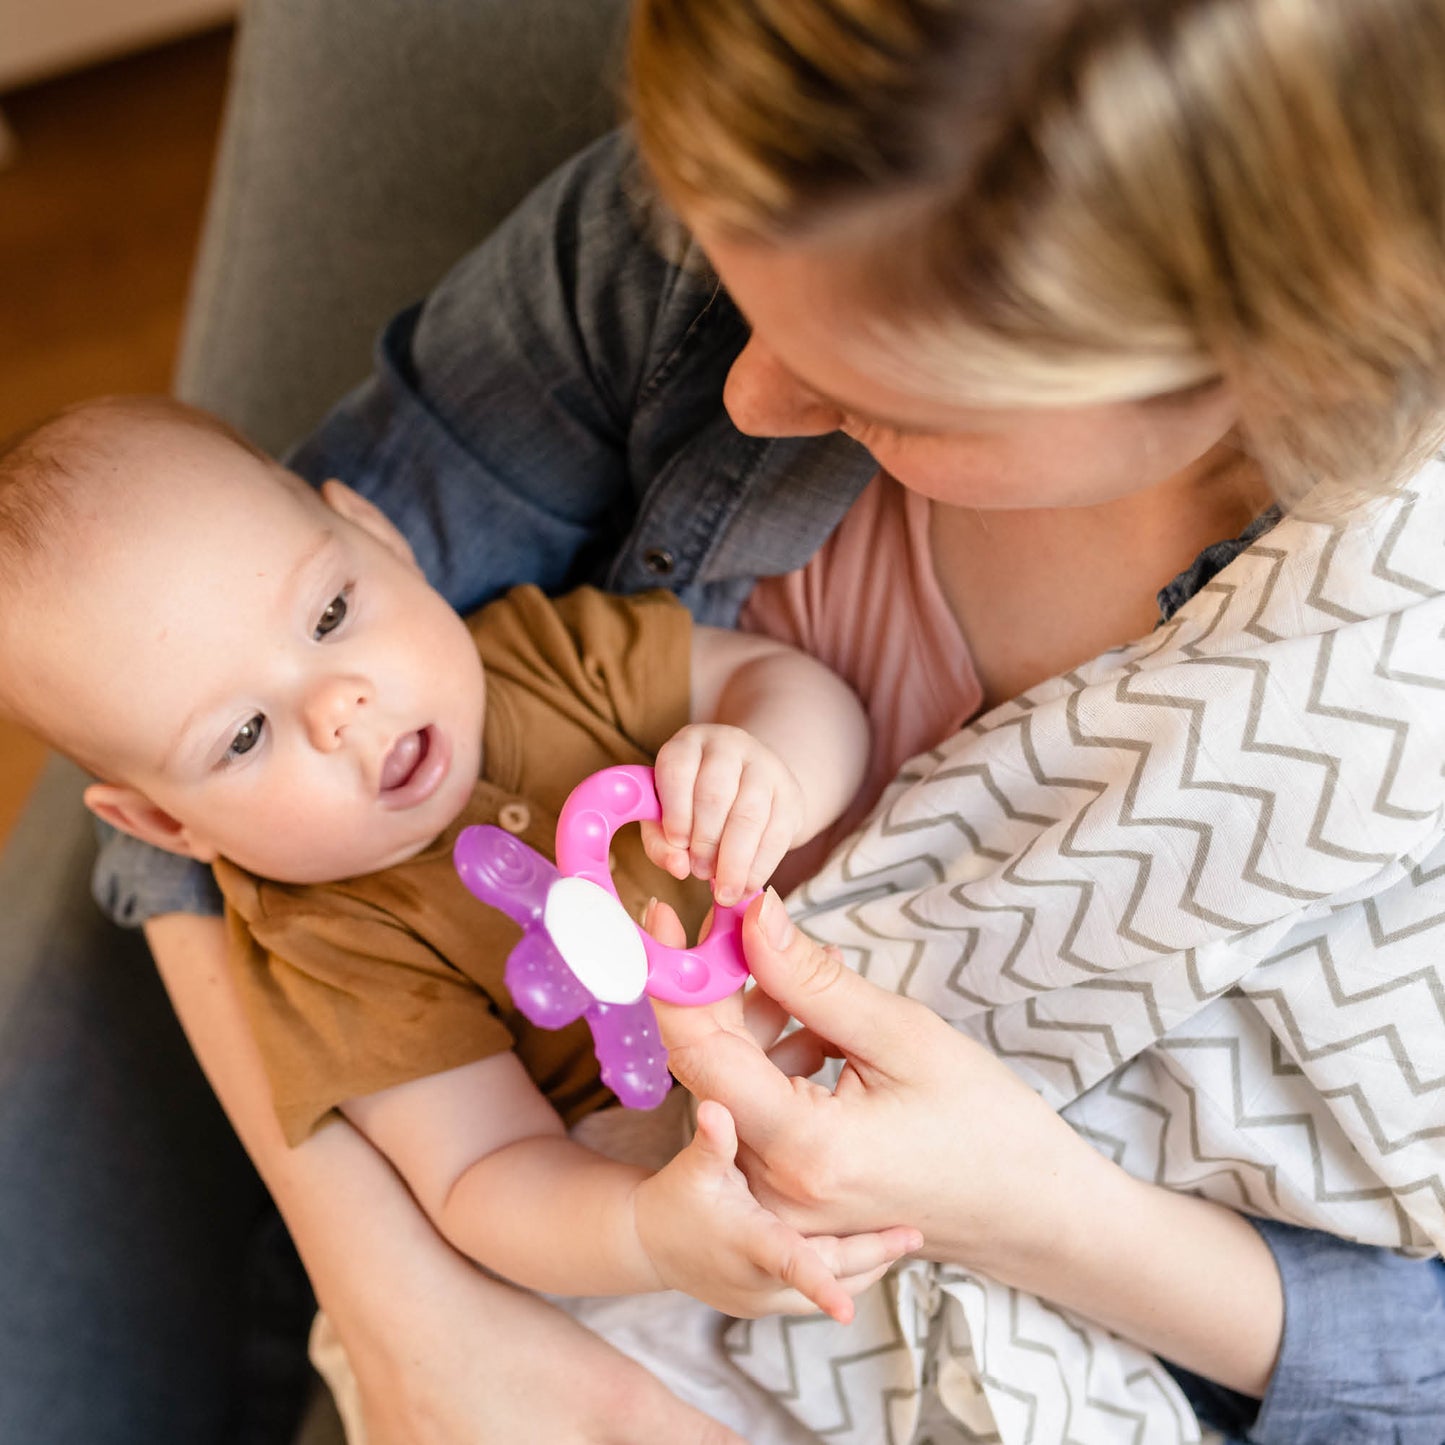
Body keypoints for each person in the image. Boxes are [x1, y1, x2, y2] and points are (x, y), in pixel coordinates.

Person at [66, 1, 1445, 1443]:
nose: (744, 389)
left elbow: (1406, 1359)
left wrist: (1021, 1208)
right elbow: (189, 696)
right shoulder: (680, 243)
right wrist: (428, 1331)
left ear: (1266, 356)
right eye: (741, 286)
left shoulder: (1367, 656)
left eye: (875, 391)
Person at [0, 395, 920, 1443]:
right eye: (246, 732)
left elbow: (788, 687)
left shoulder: (542, 652)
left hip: (813, 1007)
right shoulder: (327, 940)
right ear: (165, 822)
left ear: (379, 534)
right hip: (616, 1206)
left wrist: (768, 771)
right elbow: (485, 1174)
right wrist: (647, 1231)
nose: (337, 702)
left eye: (330, 615)